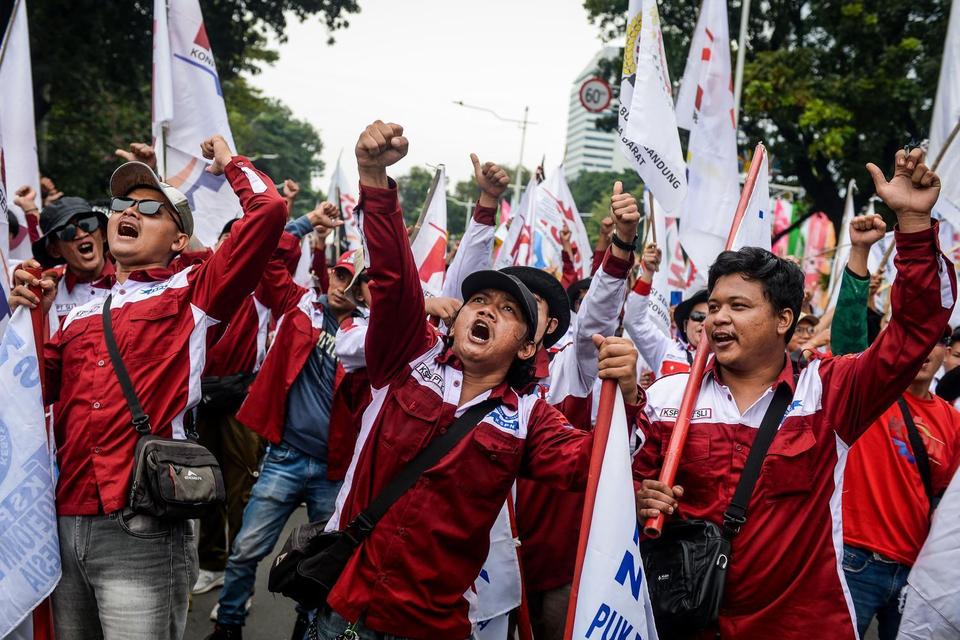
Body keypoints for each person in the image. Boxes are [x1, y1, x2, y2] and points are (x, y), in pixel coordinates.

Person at [312, 120, 639, 640]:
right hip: (343, 608)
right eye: (479, 300)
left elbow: (594, 467)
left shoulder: (530, 418)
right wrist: (373, 177)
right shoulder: (410, 357)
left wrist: (627, 399)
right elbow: (395, 280)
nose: (485, 310)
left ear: (530, 346)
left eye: (509, 310)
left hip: (430, 626)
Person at [632, 148, 955, 639]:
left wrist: (912, 224)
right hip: (683, 621)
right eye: (714, 306)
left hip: (801, 624)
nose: (719, 318)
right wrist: (639, 497)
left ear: (784, 320)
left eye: (738, 306)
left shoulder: (830, 390)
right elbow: (621, 498)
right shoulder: (666, 397)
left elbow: (914, 331)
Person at [8, 135, 287, 640]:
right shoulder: (76, 313)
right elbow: (32, 397)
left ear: (179, 240)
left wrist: (230, 164)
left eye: (150, 209)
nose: (128, 212)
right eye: (121, 205)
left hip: (143, 522)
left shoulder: (195, 291)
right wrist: (31, 316)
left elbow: (268, 213)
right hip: (65, 523)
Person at [206, 243, 365, 640]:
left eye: (356, 281)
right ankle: (228, 626)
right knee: (245, 551)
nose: (344, 286)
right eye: (342, 274)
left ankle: (305, 629)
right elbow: (267, 258)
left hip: (335, 472)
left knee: (323, 563)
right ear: (331, 272)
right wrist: (305, 224)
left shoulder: (370, 335)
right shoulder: (300, 306)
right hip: (285, 458)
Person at [192, 205, 342, 598]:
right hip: (200, 396)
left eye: (239, 242)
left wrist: (305, 224)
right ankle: (212, 564)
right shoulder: (201, 283)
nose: (232, 247)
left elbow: (278, 253)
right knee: (203, 485)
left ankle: (242, 575)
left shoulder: (259, 288)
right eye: (228, 239)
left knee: (239, 487)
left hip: (241, 399)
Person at [827, 215, 960, 639]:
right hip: (854, 559)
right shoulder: (869, 392)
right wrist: (861, 252)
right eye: (919, 340)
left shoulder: (953, 421)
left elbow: (944, 503)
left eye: (937, 341)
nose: (925, 350)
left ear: (945, 351)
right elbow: (847, 337)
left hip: (917, 574)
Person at [13, 194, 113, 325]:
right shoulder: (46, 292)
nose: (82, 234)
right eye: (68, 232)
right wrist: (28, 317)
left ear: (103, 234)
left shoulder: (134, 281)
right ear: (54, 250)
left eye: (88, 223)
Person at [624, 242, 707, 376]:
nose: (704, 323)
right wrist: (647, 273)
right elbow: (633, 321)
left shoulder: (728, 360)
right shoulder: (665, 349)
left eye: (710, 318)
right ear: (685, 325)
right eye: (698, 317)